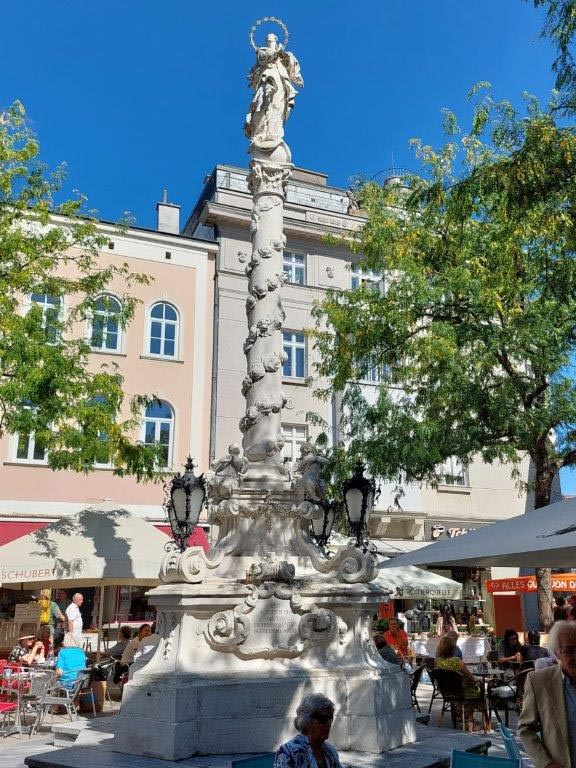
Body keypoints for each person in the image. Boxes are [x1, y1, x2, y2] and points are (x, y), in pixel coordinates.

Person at [518, 620, 576, 768]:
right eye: (570, 651)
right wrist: (546, 764)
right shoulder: (539, 682)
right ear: (557, 653)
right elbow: (525, 730)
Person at [274, 693, 342, 768]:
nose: (328, 724)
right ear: (307, 721)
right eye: (323, 719)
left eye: (330, 719)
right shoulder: (288, 752)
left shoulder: (330, 751)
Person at [435, 634, 486, 731]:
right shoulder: (457, 661)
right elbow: (471, 678)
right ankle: (470, 721)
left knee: (470, 689)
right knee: (478, 690)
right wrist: (478, 680)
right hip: (461, 692)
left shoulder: (437, 661)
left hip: (447, 692)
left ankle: (464, 718)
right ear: (452, 648)